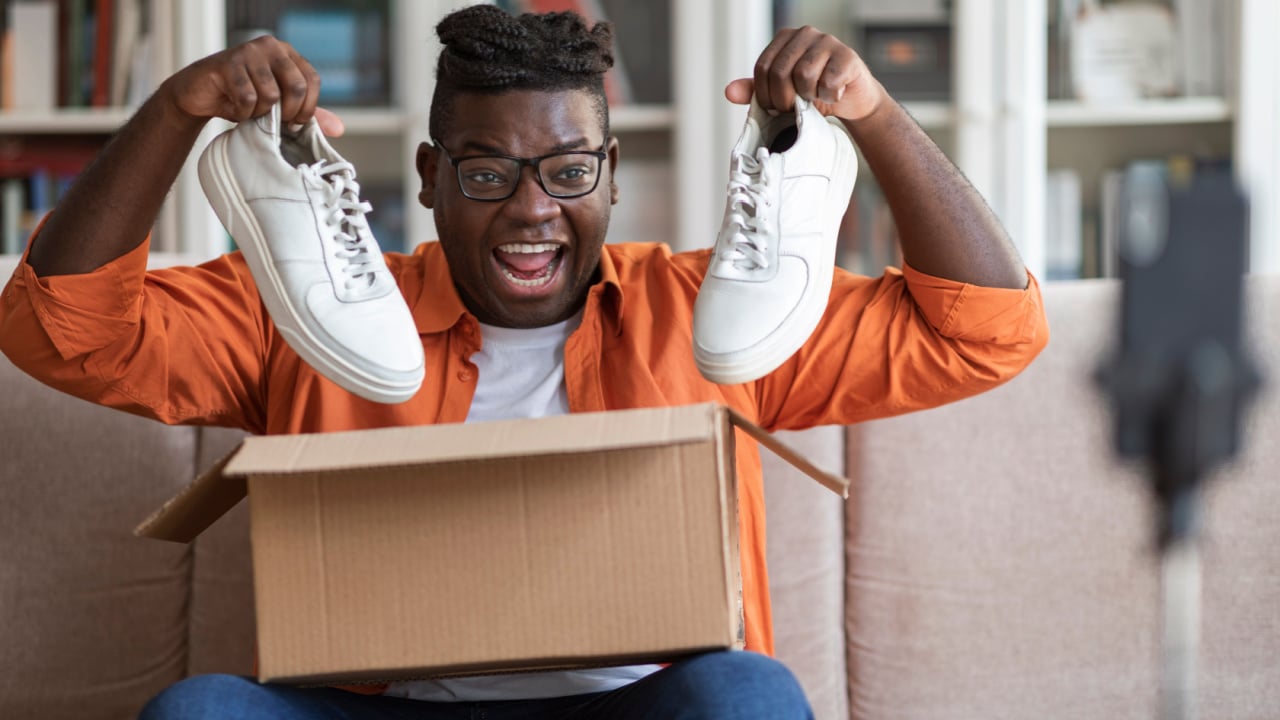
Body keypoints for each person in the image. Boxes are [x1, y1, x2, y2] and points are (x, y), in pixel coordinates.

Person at [0, 5, 1047, 719]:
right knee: (199, 711)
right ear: (428, 176)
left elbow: (987, 330)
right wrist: (176, 112)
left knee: (748, 696)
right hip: (382, 706)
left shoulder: (710, 310)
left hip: (634, 703)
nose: (533, 208)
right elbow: (61, 330)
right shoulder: (305, 307)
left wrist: (869, 115)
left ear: (610, 177)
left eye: (566, 170)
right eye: (491, 169)